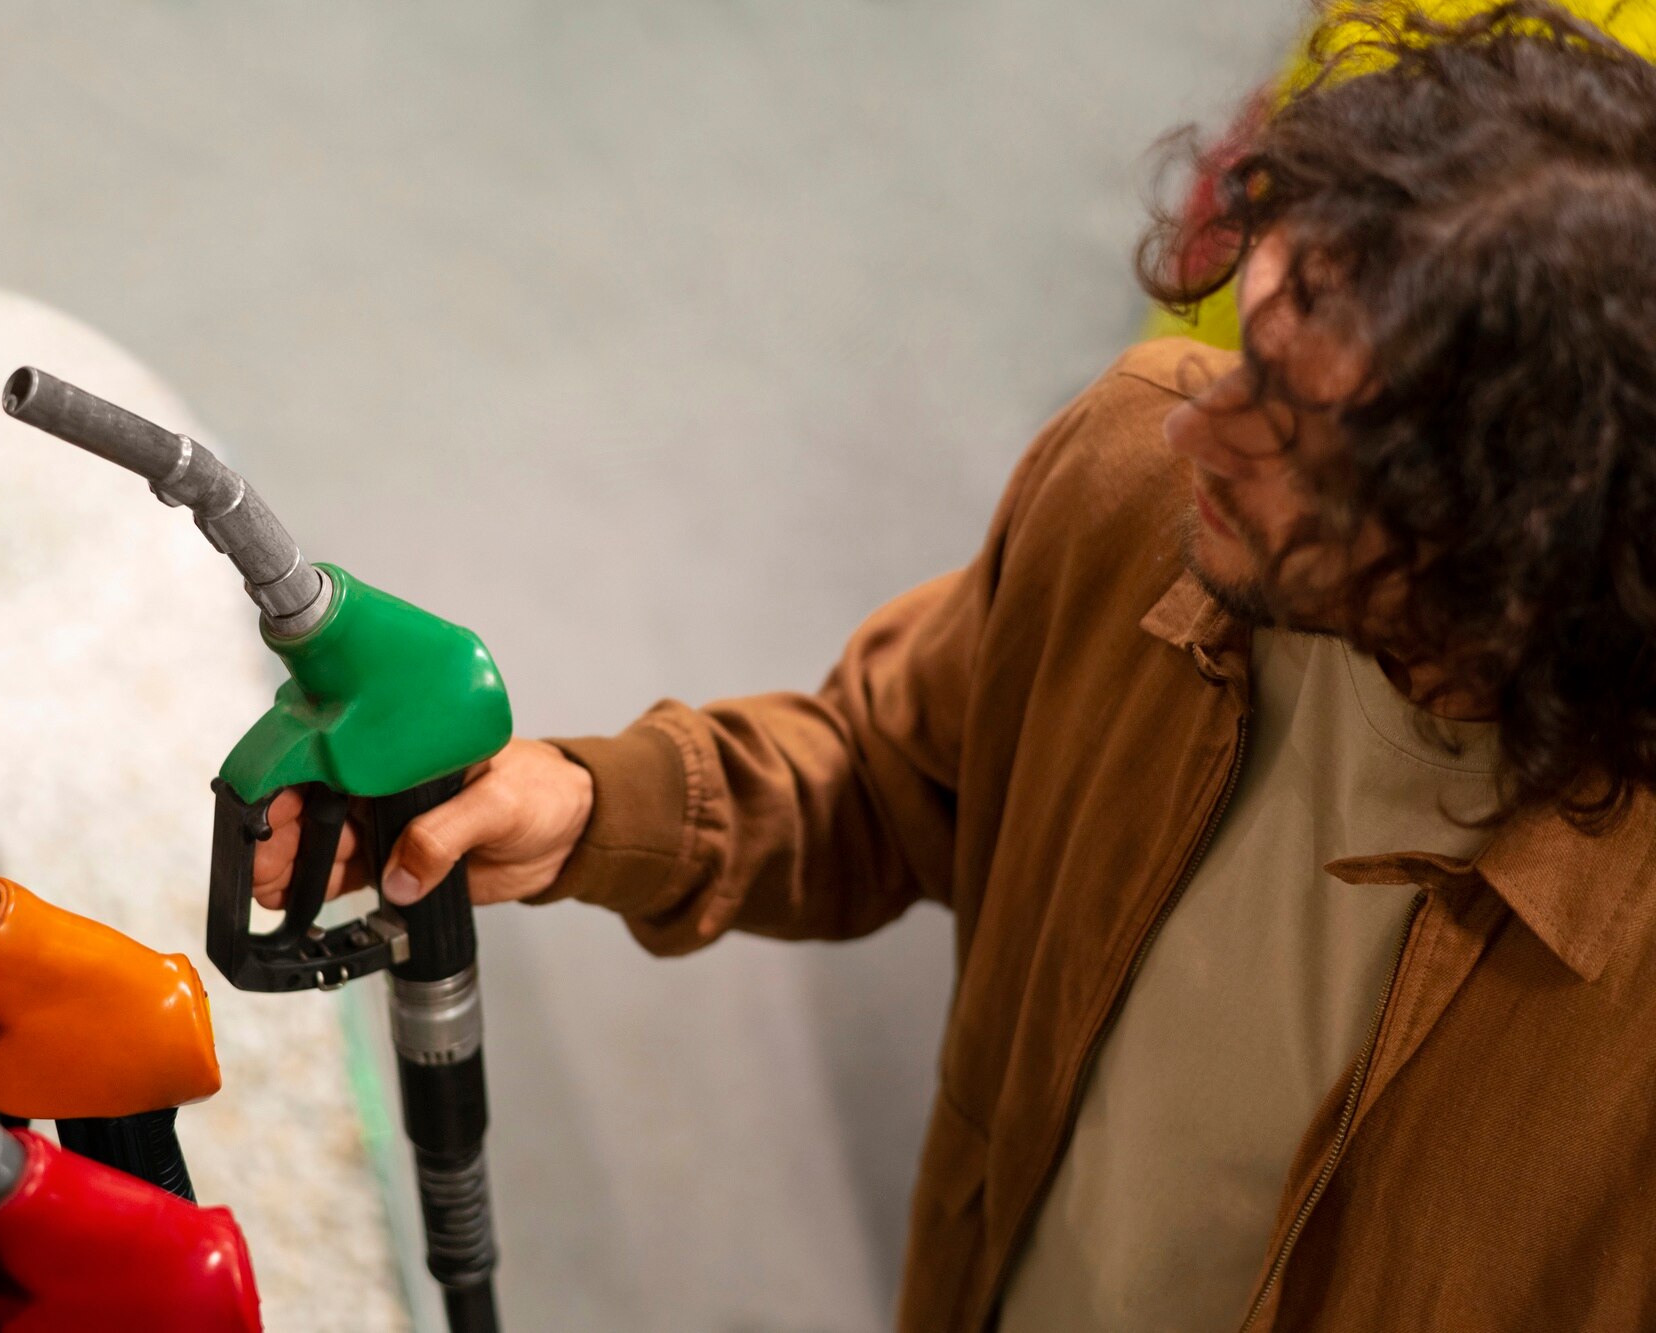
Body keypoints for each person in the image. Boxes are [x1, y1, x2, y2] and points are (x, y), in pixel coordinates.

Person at [255, 4, 1656, 1327]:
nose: (1199, 428)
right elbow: (893, 763)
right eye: (1248, 351)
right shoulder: (1137, 491)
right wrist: (582, 804)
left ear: (1522, 532)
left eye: (1293, 428)